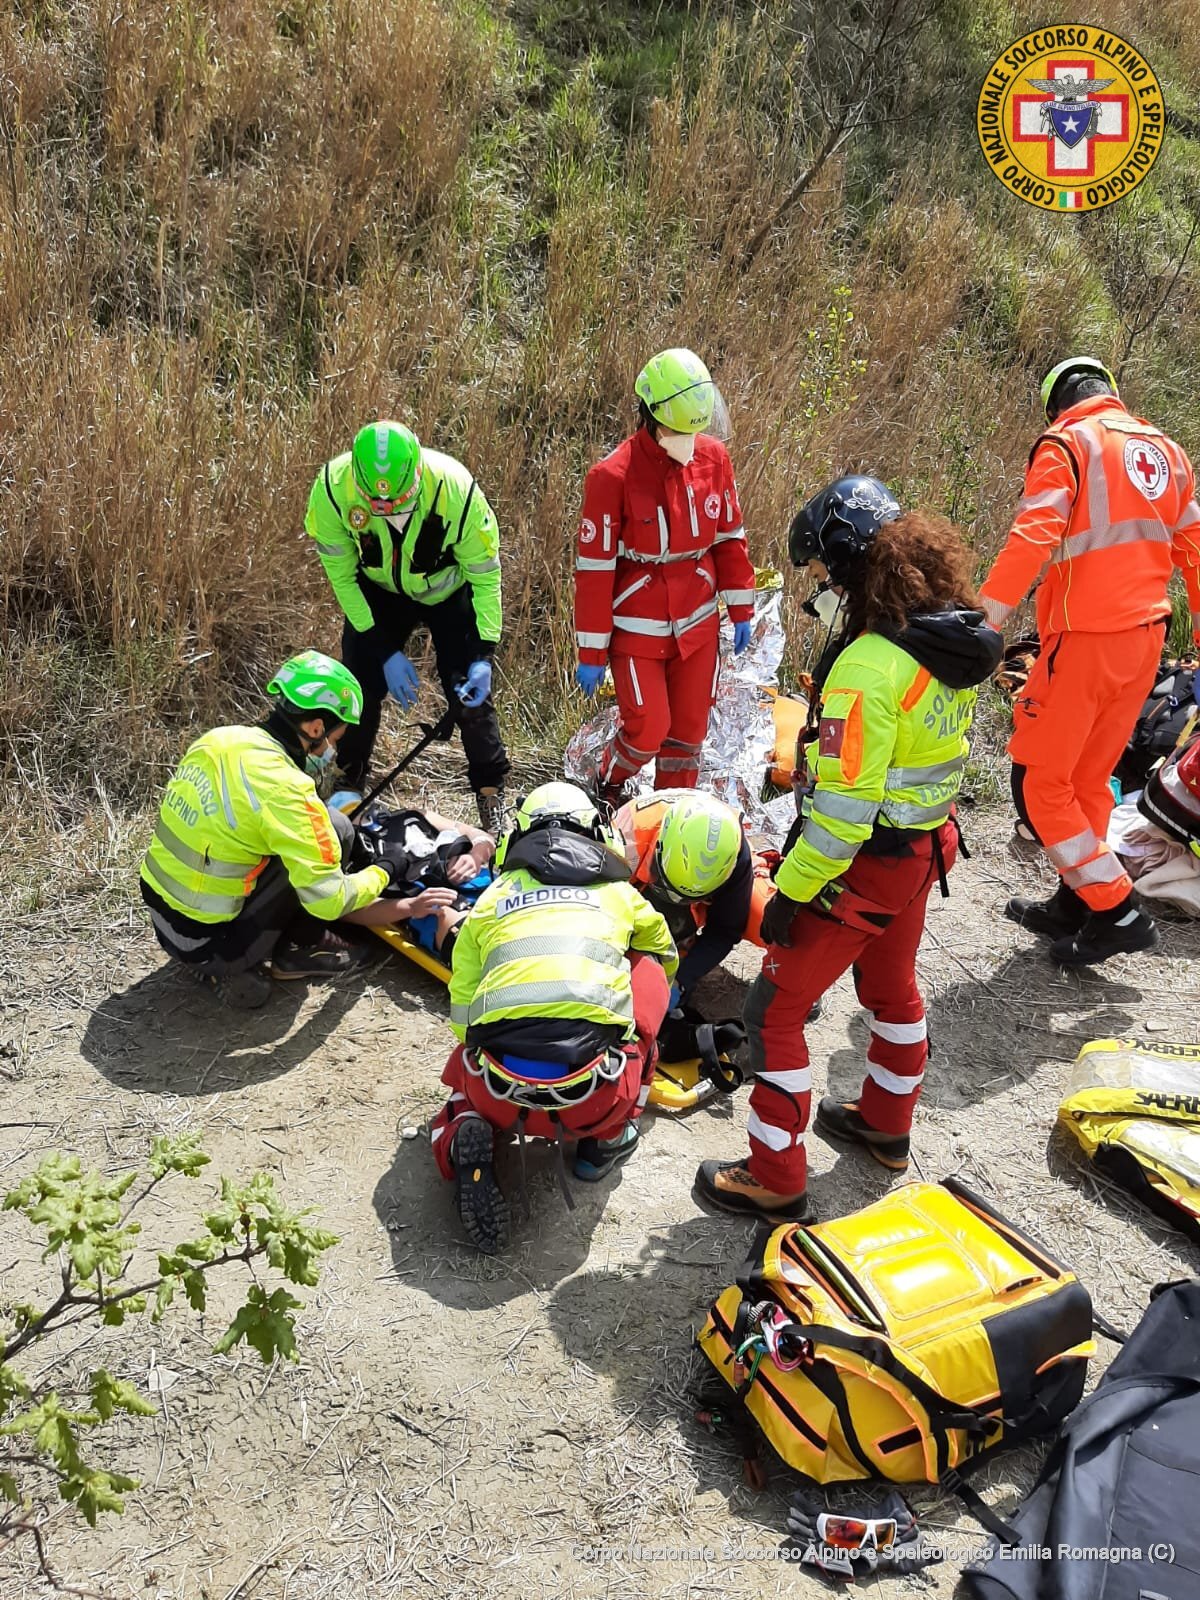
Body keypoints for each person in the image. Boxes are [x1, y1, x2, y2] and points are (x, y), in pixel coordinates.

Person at [694, 479, 1003, 1221]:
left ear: (850, 565)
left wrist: (791, 893)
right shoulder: (947, 637)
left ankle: (776, 1175)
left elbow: (839, 818)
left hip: (863, 868)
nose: (824, 595)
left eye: (827, 579)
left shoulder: (869, 667)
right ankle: (887, 1127)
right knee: (892, 991)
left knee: (775, 1011)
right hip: (923, 853)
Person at [980, 357, 1200, 966]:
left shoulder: (1068, 442)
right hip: (1145, 640)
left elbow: (1033, 536)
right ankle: (1075, 903)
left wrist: (985, 621)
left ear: (1058, 402)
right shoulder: (1166, 452)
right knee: (1086, 779)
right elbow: (1196, 552)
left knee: (1040, 784)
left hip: (1086, 641)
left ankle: (1115, 908)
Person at [429, 783, 678, 1253]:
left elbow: (462, 1001)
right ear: (597, 832)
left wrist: (471, 1046)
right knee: (647, 968)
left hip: (497, 1093)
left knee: (469, 1075)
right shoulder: (618, 893)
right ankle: (605, 1142)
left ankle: (463, 1127)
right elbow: (663, 952)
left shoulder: (496, 895)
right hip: (595, 1097)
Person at [140, 651, 448, 1009]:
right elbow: (331, 899)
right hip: (208, 942)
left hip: (162, 920)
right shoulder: (286, 789)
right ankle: (298, 949)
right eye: (334, 739)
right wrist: (386, 869)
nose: (332, 750)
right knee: (333, 836)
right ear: (316, 728)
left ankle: (217, 954)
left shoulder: (220, 739)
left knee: (333, 825)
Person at [304, 420, 510, 832]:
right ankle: (347, 787)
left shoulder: (457, 492)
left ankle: (491, 796)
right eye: (376, 505)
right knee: (359, 687)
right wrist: (384, 650)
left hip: (448, 591)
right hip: (377, 591)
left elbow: (486, 575)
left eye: (398, 504)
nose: (386, 512)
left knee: (468, 696)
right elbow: (343, 579)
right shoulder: (331, 490)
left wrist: (484, 654)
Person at [573, 348, 755, 801]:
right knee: (648, 729)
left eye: (697, 428)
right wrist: (591, 652)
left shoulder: (713, 458)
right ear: (653, 418)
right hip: (638, 626)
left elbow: (729, 537)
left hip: (697, 621)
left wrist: (741, 605)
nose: (691, 440)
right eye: (680, 429)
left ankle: (671, 816)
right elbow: (594, 571)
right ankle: (607, 784)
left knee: (689, 734)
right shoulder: (611, 476)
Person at [614, 789, 764, 1004]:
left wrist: (681, 980)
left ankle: (787, 986)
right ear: (659, 849)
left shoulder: (735, 858)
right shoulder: (624, 838)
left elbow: (725, 931)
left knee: (765, 915)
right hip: (634, 882)